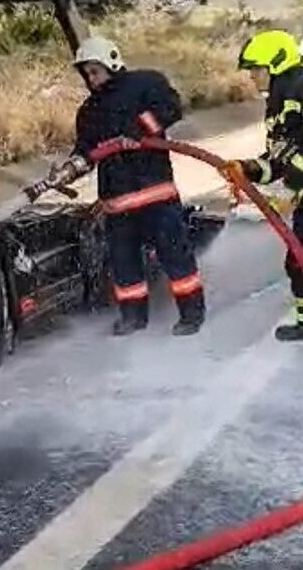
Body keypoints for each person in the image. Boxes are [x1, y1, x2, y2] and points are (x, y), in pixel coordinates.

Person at [26, 36, 205, 336]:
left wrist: (139, 129)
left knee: (175, 255)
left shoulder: (145, 83)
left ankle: (191, 314)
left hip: (155, 195)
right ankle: (133, 317)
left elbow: (171, 107)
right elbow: (87, 150)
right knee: (123, 265)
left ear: (111, 62)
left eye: (94, 71)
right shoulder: (89, 111)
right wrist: (69, 169)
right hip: (117, 203)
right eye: (86, 74)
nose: (90, 79)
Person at [220, 29, 303, 342]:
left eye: (256, 69)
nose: (252, 77)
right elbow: (278, 162)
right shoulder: (280, 105)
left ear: (277, 63)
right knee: (297, 261)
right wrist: (249, 169)